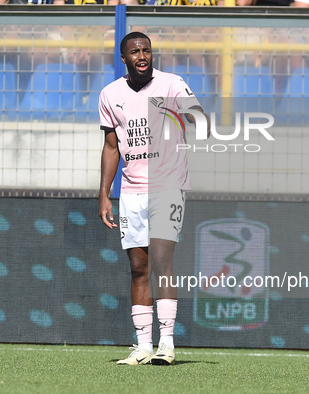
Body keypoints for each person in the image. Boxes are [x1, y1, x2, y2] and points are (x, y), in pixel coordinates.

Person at [98, 31, 208, 366]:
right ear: (124, 58)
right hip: (131, 190)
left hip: (168, 185)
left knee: (162, 262)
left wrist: (188, 115)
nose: (142, 55)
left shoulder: (172, 84)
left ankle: (167, 343)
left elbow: (201, 122)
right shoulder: (110, 94)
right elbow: (112, 146)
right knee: (137, 267)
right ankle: (143, 345)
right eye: (135, 51)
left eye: (147, 50)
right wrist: (104, 193)